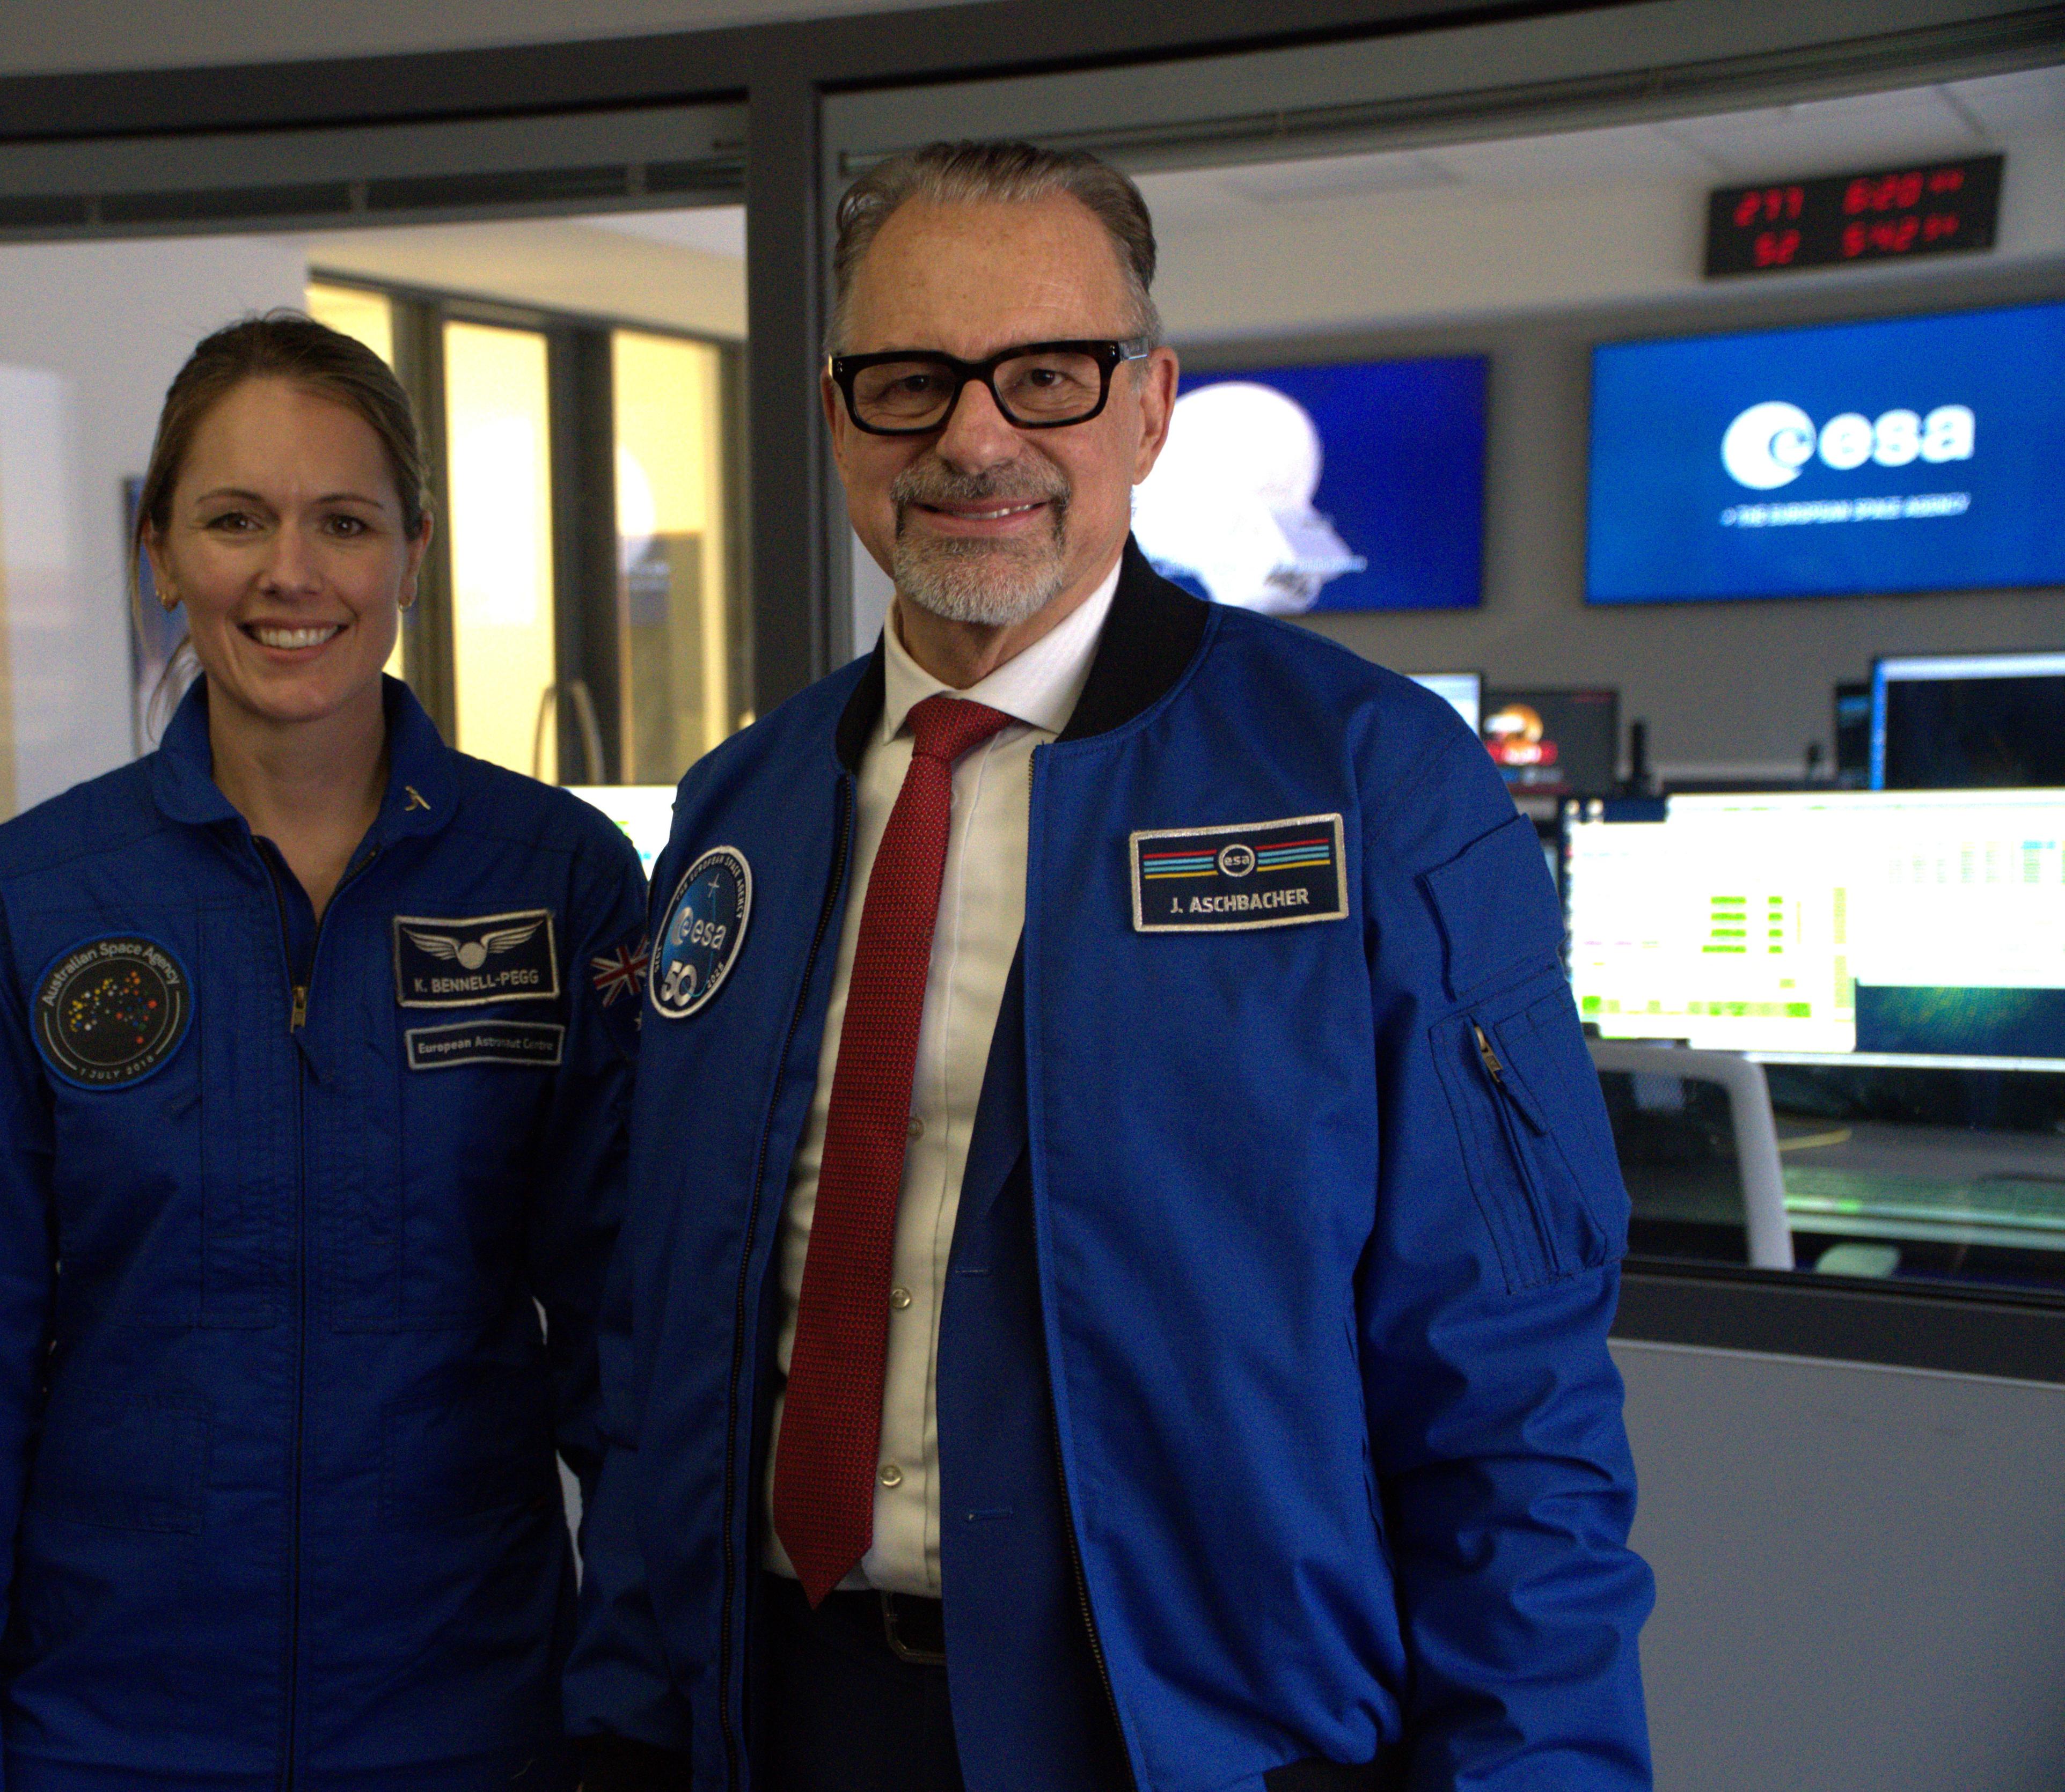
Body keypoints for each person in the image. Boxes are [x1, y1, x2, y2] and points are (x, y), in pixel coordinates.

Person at [566, 141, 1652, 1791]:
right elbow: (664, 1335)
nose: (974, 437)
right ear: (840, 411)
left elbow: (1508, 1401)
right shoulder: (741, 812)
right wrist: (633, 1723)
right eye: (912, 380)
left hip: (1190, 1733)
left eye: (1047, 375)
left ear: (1149, 408)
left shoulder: (1365, 787)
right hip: (780, 1709)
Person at [0, 313, 645, 1791]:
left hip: (472, 1718)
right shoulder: (26, 901)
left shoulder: (557, 881)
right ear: (160, 549)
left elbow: (633, 1345)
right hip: (105, 1728)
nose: (292, 572)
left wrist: (646, 1699)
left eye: (344, 521)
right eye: (234, 519)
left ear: (412, 551)